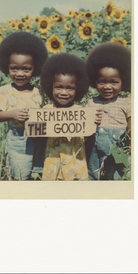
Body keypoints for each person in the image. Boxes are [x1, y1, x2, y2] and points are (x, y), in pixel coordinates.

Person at [0, 31, 48, 180]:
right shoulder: (4, 91)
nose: (20, 73)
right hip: (18, 139)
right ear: (7, 67)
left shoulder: (39, 90)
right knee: (20, 173)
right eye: (14, 68)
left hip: (39, 136)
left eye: (26, 69)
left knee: (39, 170)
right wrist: (12, 114)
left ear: (35, 68)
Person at [39, 53, 91, 181]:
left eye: (70, 88)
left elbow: (89, 132)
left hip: (75, 162)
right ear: (50, 86)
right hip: (53, 161)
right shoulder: (46, 110)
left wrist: (94, 121)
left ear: (78, 89)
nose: (64, 93)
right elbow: (37, 132)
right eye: (59, 87)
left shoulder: (82, 112)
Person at [85, 42, 131, 180]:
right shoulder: (91, 102)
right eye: (102, 81)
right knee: (93, 174)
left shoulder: (127, 102)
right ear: (94, 81)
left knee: (116, 176)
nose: (107, 86)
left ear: (123, 81)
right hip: (93, 149)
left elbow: (131, 125)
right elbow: (82, 124)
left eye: (114, 82)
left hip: (117, 149)